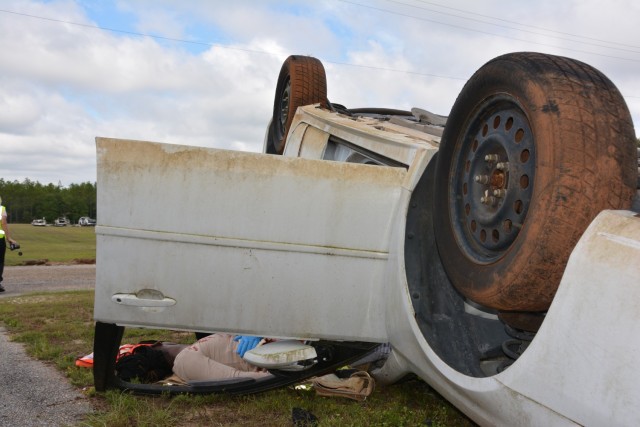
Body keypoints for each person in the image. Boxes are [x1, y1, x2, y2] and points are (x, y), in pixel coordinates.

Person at [115, 333, 270, 383]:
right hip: (279, 358)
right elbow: (237, 378)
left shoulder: (197, 347)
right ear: (157, 346)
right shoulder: (184, 362)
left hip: (276, 344)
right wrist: (283, 377)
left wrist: (258, 332)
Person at [0, 196, 18, 293]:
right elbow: (3, 223)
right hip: (0, 239)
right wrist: (9, 238)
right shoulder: (2, 209)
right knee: (0, 261)